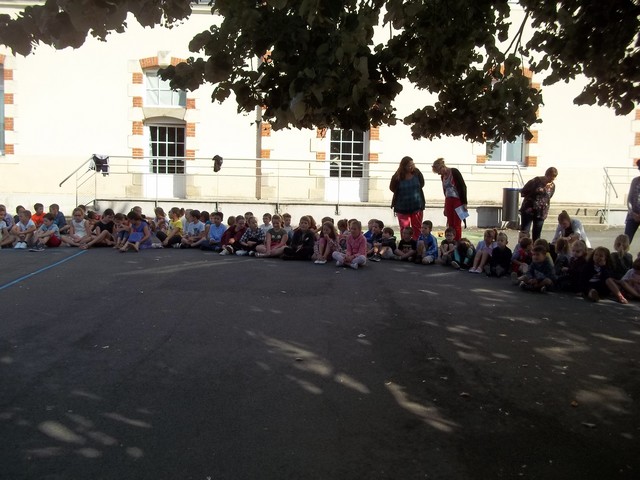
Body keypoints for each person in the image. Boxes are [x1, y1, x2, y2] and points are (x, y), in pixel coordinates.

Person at [389, 156, 425, 240]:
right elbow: (392, 188)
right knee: (404, 228)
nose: (411, 167)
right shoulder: (397, 176)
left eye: (412, 164)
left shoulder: (417, 173)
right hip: (402, 207)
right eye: (409, 165)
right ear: (404, 166)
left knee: (417, 228)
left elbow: (422, 184)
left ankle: (416, 244)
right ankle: (405, 244)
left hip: (416, 206)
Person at [431, 158, 468, 241]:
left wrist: (465, 203)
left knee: (457, 223)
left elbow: (463, 186)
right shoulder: (442, 177)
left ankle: (457, 241)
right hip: (448, 200)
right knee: (450, 223)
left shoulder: (454, 171)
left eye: (439, 171)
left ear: (442, 167)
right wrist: (445, 207)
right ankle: (451, 240)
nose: (439, 174)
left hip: (458, 200)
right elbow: (445, 192)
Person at [519, 167, 558, 241]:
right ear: (546, 175)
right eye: (550, 178)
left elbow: (549, 197)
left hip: (541, 212)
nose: (550, 181)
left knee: (537, 235)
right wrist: (535, 193)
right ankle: (522, 247)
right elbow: (523, 192)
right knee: (525, 233)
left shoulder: (552, 186)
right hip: (528, 210)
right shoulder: (535, 181)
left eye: (553, 179)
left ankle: (535, 247)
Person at [624, 159, 640, 244]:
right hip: (633, 215)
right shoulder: (635, 181)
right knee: (626, 240)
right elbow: (629, 200)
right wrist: (633, 214)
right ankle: (624, 252)